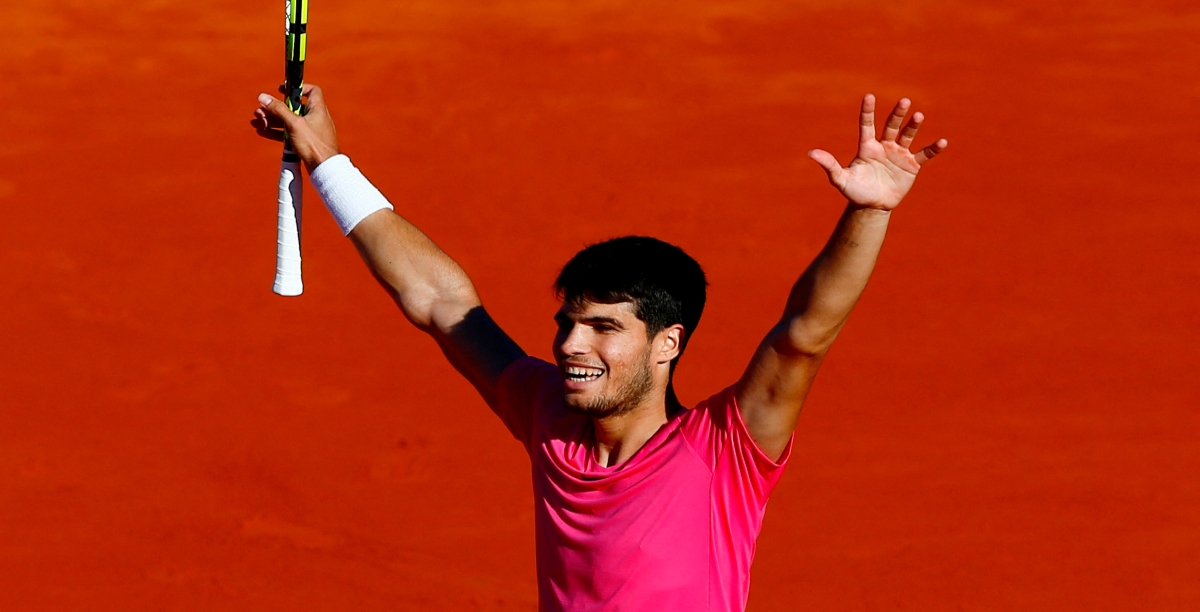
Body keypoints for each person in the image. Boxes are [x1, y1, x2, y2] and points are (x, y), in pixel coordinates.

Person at [251, 86, 948, 611]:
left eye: (604, 327)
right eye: (568, 322)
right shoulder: (549, 418)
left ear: (667, 343)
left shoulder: (724, 451)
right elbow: (441, 304)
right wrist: (330, 163)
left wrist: (869, 210)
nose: (568, 345)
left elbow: (804, 335)